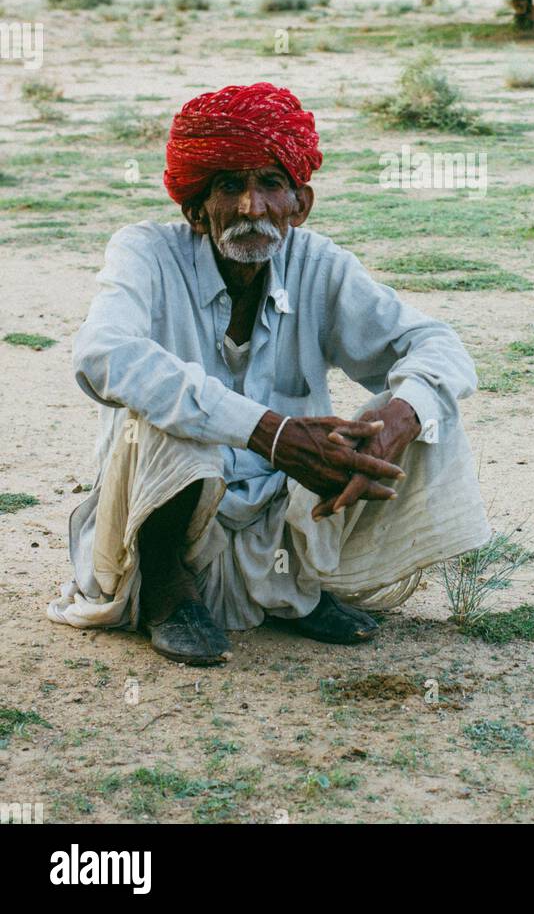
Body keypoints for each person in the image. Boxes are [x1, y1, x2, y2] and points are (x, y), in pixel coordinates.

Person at [48, 82, 490, 664]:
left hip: (283, 520)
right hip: (171, 518)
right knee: (156, 407)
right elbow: (103, 354)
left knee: (425, 402)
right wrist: (268, 432)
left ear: (298, 205)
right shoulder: (146, 253)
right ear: (196, 208)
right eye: (230, 185)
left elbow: (437, 344)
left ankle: (293, 590)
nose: (251, 208)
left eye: (270, 185)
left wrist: (398, 417)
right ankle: (166, 592)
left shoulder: (320, 266)